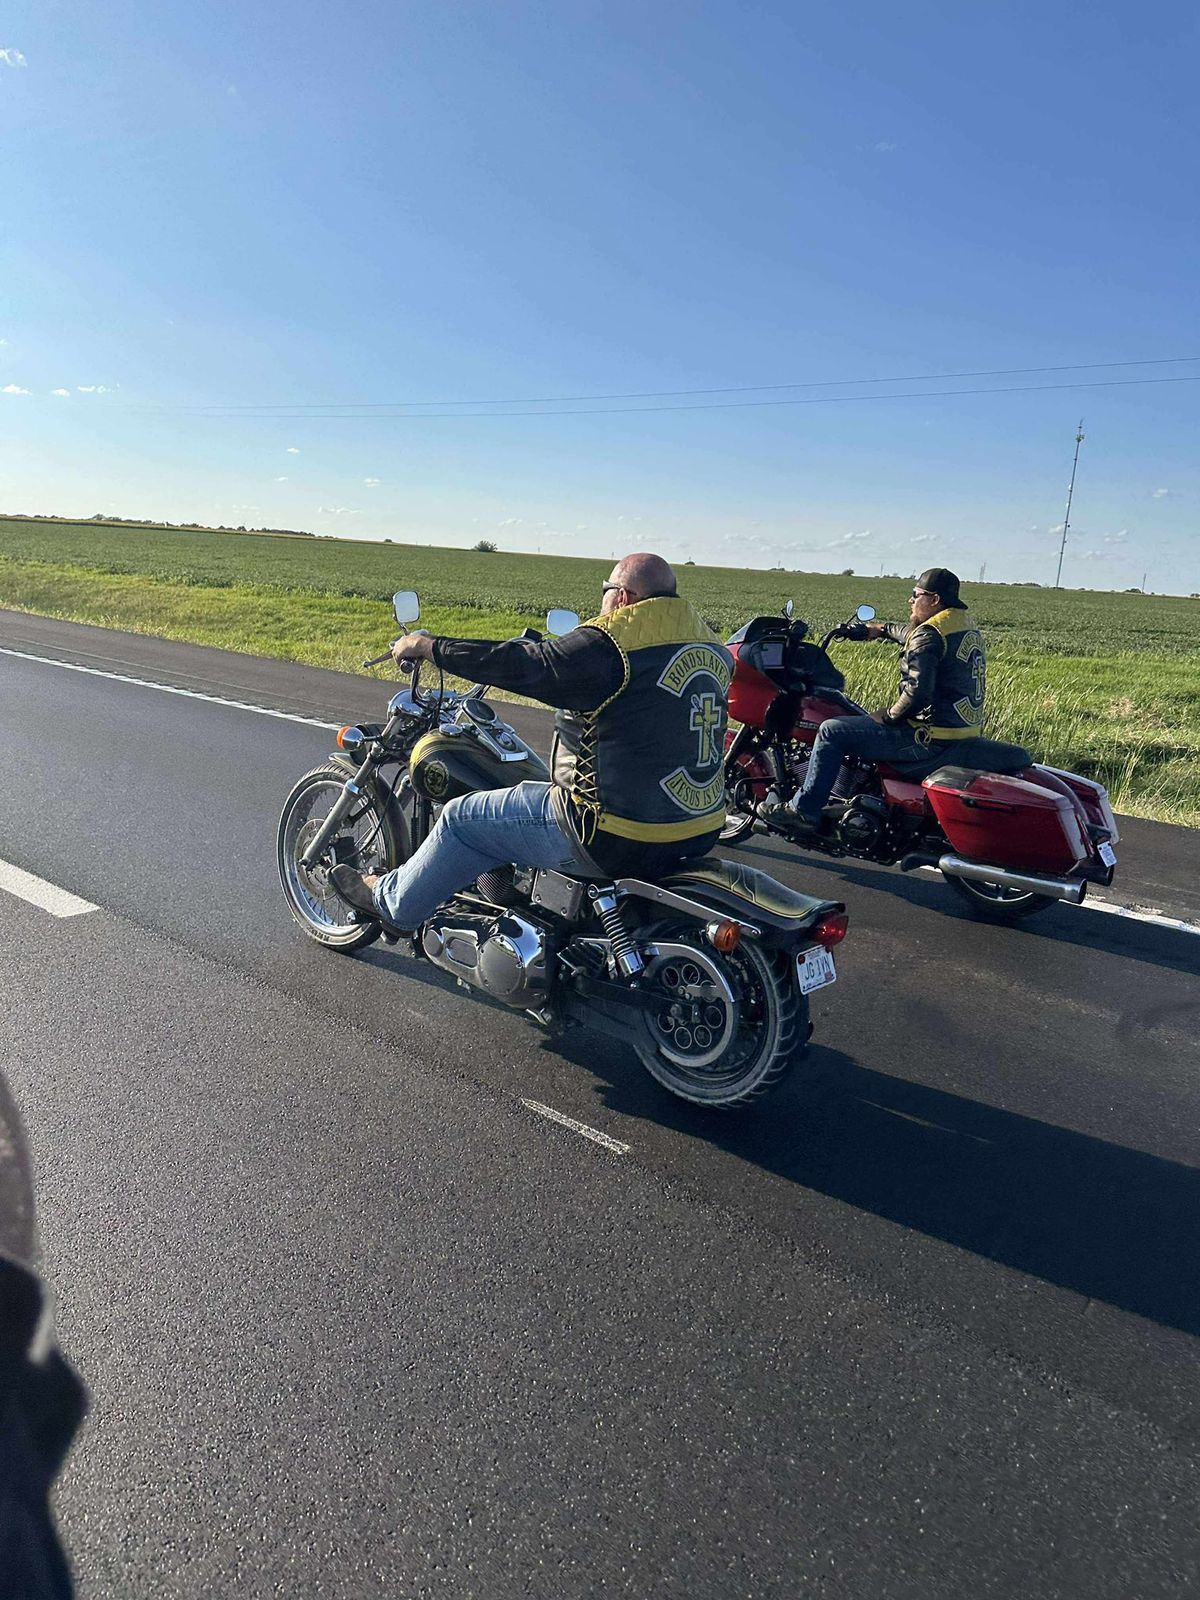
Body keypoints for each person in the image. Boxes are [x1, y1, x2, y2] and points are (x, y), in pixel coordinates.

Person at [330, 552, 733, 929]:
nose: (603, 602)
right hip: (698, 828)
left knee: (460, 819)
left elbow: (528, 666)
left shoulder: (615, 643)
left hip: (611, 831)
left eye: (605, 591)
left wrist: (429, 646)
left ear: (623, 597)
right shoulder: (710, 646)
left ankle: (391, 902)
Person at [762, 566, 987, 835]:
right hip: (962, 731)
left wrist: (890, 716)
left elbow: (918, 694)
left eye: (916, 594)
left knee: (832, 730)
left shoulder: (929, 635)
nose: (910, 600)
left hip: (927, 738)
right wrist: (880, 630)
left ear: (935, 599)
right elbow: (917, 636)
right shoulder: (961, 625)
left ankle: (803, 810)